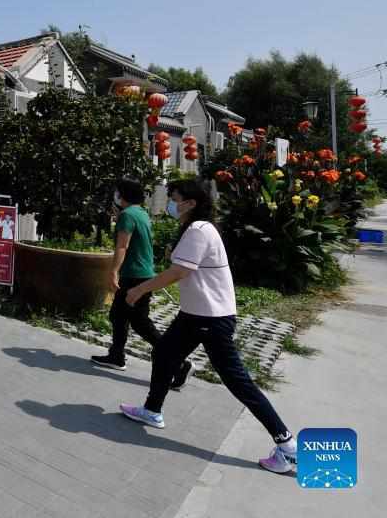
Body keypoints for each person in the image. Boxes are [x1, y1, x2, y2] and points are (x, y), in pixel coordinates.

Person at [119, 179, 297, 474]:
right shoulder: (195, 228)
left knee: (237, 381)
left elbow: (179, 271)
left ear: (190, 203)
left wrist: (139, 290)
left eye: (174, 198)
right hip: (195, 315)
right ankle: (151, 410)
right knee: (163, 354)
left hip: (211, 319)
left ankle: (287, 445)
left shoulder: (199, 230)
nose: (171, 203)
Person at [91, 179, 193, 391]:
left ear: (123, 194)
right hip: (142, 273)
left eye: (117, 192)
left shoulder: (128, 215)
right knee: (118, 315)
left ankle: (179, 364)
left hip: (134, 275)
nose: (116, 195)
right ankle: (116, 355)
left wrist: (113, 271)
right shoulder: (140, 213)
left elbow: (122, 246)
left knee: (139, 322)